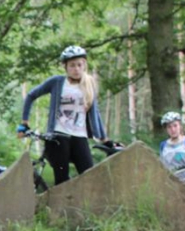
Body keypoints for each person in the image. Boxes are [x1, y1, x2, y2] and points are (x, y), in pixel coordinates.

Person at [17, 45, 115, 185]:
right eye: (72, 65)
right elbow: (31, 95)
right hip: (58, 137)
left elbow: (95, 114)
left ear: (84, 65)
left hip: (79, 136)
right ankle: (60, 200)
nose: (76, 69)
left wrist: (104, 139)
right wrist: (24, 122)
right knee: (62, 179)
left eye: (79, 65)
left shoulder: (89, 84)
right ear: (65, 67)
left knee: (90, 176)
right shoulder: (57, 82)